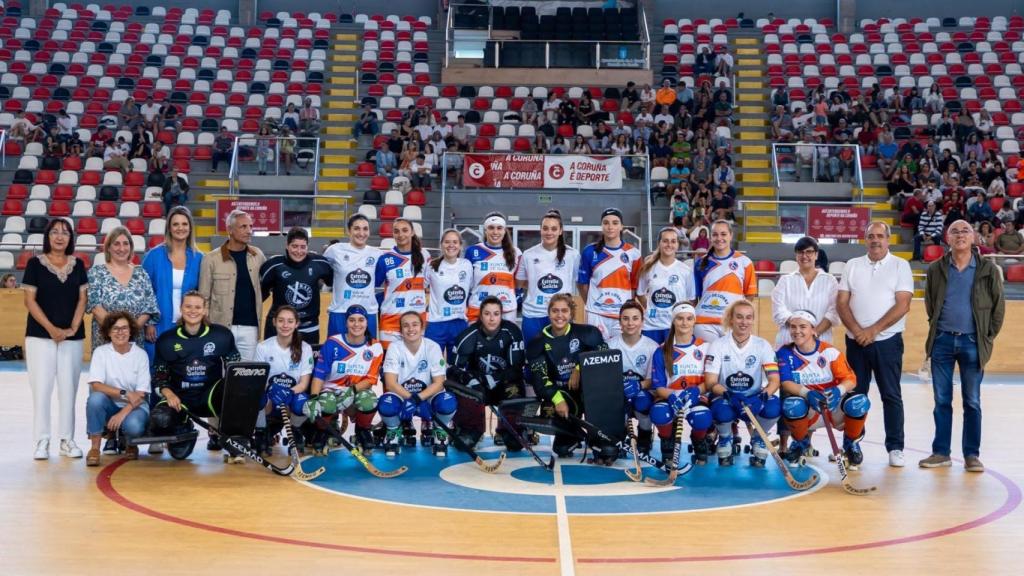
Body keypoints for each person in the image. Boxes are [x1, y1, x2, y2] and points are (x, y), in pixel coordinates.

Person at [919, 220, 1004, 473]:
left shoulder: (988, 269)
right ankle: (941, 452)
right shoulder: (936, 269)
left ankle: (971, 455)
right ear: (947, 238)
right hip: (943, 341)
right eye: (954, 231)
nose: (960, 235)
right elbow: (930, 304)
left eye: (965, 230)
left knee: (972, 401)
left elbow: (998, 308)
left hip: (972, 342)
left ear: (974, 237)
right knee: (941, 400)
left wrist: (986, 337)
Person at [837, 221, 913, 467]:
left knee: (891, 395)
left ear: (888, 240)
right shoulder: (852, 265)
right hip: (855, 342)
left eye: (880, 236)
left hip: (887, 342)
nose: (875, 240)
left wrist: (873, 330)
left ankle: (895, 447)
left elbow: (903, 304)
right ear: (865, 239)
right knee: (855, 395)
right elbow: (842, 303)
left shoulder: (901, 266)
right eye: (871, 236)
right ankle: (852, 445)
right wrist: (858, 331)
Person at [23, 218, 88, 460]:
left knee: (68, 390)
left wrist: (72, 327)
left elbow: (82, 299)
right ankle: (42, 440)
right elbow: (29, 300)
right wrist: (51, 329)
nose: (60, 236)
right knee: (41, 389)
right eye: (55, 232)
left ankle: (67, 440)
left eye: (65, 233)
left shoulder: (79, 264)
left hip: (72, 338)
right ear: (48, 236)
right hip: (40, 337)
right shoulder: (34, 264)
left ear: (71, 238)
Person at [149, 291, 241, 454]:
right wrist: (169, 394)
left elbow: (235, 371)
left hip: (210, 397)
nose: (193, 311)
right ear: (181, 309)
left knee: (238, 394)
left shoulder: (221, 335)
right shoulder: (167, 339)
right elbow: (159, 376)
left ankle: (235, 437)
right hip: (180, 399)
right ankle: (184, 425)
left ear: (205, 310)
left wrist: (235, 396)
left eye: (198, 307)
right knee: (161, 419)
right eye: (188, 306)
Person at [777, 310, 871, 467]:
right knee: (791, 404)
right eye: (793, 327)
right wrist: (807, 393)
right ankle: (800, 443)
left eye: (802, 327)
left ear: (813, 330)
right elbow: (785, 382)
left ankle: (850, 444)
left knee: (860, 402)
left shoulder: (830, 352)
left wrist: (837, 391)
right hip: (809, 408)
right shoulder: (785, 352)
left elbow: (851, 380)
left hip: (833, 407)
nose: (797, 331)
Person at [526, 294, 608, 458]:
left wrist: (579, 368)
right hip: (561, 394)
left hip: (588, 393)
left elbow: (603, 353)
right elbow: (540, 381)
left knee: (606, 450)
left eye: (564, 311)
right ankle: (575, 434)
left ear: (571, 313)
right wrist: (558, 400)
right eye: (555, 311)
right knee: (561, 449)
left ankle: (600, 437)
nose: (559, 315)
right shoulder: (537, 343)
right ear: (549, 313)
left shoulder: (587, 333)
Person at [704, 300, 781, 467]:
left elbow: (775, 380)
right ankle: (725, 438)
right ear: (731, 319)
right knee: (720, 411)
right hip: (727, 398)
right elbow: (710, 382)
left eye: (748, 317)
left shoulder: (762, 345)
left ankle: (759, 438)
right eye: (739, 317)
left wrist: (762, 396)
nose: (744, 322)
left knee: (774, 406)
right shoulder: (718, 345)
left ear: (753, 320)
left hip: (754, 399)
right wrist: (728, 394)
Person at [448, 296, 527, 449]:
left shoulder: (512, 332)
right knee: (466, 391)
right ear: (480, 315)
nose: (492, 318)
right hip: (478, 386)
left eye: (496, 314)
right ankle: (471, 430)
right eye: (487, 314)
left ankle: (509, 430)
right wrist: (472, 380)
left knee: (515, 389)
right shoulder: (468, 336)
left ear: (501, 315)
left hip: (504, 384)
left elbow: (516, 368)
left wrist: (494, 378)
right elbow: (453, 370)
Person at [378, 311, 456, 456]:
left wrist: (418, 398)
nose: (411, 329)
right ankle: (393, 430)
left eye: (415, 324)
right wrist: (411, 399)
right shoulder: (394, 347)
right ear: (400, 331)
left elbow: (439, 382)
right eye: (405, 326)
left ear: (422, 328)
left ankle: (440, 429)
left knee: (448, 401)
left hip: (428, 396)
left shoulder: (432, 347)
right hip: (403, 396)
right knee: (385, 404)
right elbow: (390, 383)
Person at [309, 305, 384, 453]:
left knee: (369, 400)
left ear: (367, 322)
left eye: (361, 320)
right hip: (331, 391)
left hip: (355, 392)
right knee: (326, 403)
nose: (356, 324)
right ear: (346, 323)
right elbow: (319, 375)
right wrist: (313, 399)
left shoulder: (375, 347)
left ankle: (362, 431)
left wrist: (351, 391)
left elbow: (370, 380)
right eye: (352, 320)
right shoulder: (333, 343)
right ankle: (322, 432)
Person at [647, 303, 713, 463]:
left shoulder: (706, 347)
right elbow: (659, 387)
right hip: (671, 398)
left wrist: (697, 391)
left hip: (696, 396)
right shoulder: (662, 350)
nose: (684, 322)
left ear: (694, 321)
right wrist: (671, 397)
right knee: (659, 412)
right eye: (680, 318)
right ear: (673, 321)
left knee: (702, 417)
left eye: (689, 319)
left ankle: (698, 441)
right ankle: (667, 443)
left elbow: (711, 380)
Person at [198, 210, 267, 360]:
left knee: (246, 374)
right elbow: (203, 298)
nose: (249, 231)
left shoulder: (258, 256)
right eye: (243, 227)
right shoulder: (211, 259)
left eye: (250, 226)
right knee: (220, 374)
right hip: (220, 327)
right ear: (230, 229)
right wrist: (207, 327)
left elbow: (265, 288)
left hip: (251, 328)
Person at [85, 312, 151, 466]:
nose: (120, 332)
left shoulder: (141, 355)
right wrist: (124, 393)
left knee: (133, 426)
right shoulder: (101, 352)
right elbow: (96, 385)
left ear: (131, 331)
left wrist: (122, 413)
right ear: (108, 332)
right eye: (115, 329)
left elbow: (140, 394)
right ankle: (94, 448)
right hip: (109, 404)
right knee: (95, 399)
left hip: (135, 407)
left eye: (124, 328)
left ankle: (130, 443)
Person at [142, 206, 203, 361]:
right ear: (169, 227)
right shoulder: (154, 256)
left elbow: (203, 293)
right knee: (157, 367)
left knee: (183, 368)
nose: (180, 228)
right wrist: (148, 322)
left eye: (184, 224)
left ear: (190, 227)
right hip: (158, 325)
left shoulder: (200, 258)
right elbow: (143, 292)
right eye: (175, 224)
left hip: (188, 325)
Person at [252, 306, 314, 456]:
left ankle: (295, 430)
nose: (285, 325)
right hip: (270, 400)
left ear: (296, 324)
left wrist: (287, 393)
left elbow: (304, 384)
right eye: (281, 321)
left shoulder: (305, 348)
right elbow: (259, 381)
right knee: (256, 398)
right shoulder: (263, 347)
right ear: (274, 322)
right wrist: (271, 390)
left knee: (305, 404)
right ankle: (262, 432)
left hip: (292, 396)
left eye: (290, 321)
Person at [86, 226, 159, 352]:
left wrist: (128, 333)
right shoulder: (96, 272)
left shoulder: (141, 273)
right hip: (105, 341)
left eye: (126, 244)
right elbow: (96, 307)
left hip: (134, 341)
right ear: (108, 247)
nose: (122, 248)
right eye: (116, 244)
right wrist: (118, 333)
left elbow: (149, 307)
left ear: (130, 247)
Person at [259, 227, 333, 347]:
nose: (299, 251)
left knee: (307, 364)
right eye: (294, 246)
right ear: (287, 246)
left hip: (309, 327)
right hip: (279, 326)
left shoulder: (320, 263)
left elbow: (333, 282)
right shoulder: (274, 266)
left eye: (303, 247)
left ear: (307, 247)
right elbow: (260, 295)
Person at [516, 209, 581, 343]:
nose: (549, 232)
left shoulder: (572, 255)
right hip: (533, 314)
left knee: (560, 359)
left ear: (560, 231)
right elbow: (520, 283)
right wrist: (536, 284)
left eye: (553, 228)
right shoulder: (528, 254)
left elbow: (578, 281)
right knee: (533, 357)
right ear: (540, 230)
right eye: (545, 228)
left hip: (560, 315)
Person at [607, 301, 661, 459]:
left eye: (635, 318)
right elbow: (605, 376)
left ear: (642, 322)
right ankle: (621, 435)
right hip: (618, 391)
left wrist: (638, 385)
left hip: (642, 391)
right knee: (614, 402)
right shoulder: (610, 345)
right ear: (620, 322)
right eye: (626, 318)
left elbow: (654, 379)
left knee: (642, 400)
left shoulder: (652, 347)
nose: (630, 323)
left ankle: (644, 435)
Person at [577, 208, 641, 340]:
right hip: (596, 314)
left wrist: (627, 308)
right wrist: (592, 304)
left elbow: (634, 286)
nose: (610, 227)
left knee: (620, 353)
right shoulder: (590, 251)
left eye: (615, 223)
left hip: (621, 315)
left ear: (622, 226)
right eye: (606, 223)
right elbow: (582, 284)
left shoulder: (633, 253)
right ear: (601, 226)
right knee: (595, 353)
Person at [693, 220, 757, 343]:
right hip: (704, 324)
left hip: (731, 324)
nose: (719, 238)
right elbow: (696, 297)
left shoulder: (745, 262)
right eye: (715, 234)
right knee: (710, 360)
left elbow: (749, 295)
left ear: (731, 235)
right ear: (711, 237)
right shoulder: (700, 263)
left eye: (723, 234)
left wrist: (737, 316)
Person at [770, 236, 839, 346]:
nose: (804, 256)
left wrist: (814, 333)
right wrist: (800, 331)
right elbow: (779, 311)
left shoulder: (830, 281)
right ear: (796, 256)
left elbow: (834, 312)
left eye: (809, 252)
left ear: (816, 255)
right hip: (789, 342)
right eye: (800, 252)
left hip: (821, 342)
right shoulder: (785, 280)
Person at [323, 214, 382, 339]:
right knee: (337, 354)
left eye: (365, 229)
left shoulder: (377, 254)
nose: (361, 233)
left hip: (368, 312)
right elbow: (320, 268)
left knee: (367, 356)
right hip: (340, 311)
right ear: (349, 231)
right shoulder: (334, 250)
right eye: (356, 228)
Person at [375, 218, 431, 343]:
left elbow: (426, 285)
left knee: (414, 361)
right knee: (389, 361)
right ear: (393, 234)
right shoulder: (385, 258)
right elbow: (373, 286)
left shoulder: (425, 255)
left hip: (417, 320)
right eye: (396, 231)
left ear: (412, 232)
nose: (401, 235)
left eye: (405, 230)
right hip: (391, 320)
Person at [635, 227, 695, 344]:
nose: (669, 244)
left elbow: (691, 300)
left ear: (678, 245)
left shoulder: (685, 270)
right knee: (651, 361)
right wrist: (652, 309)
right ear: (659, 243)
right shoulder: (648, 267)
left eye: (673, 241)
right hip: (651, 326)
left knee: (672, 361)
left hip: (674, 327)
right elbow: (640, 293)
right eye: (665, 241)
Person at [424, 229, 473, 359]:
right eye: (447, 242)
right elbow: (421, 289)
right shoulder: (432, 266)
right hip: (436, 323)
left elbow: (472, 289)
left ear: (460, 246)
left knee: (457, 367)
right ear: (441, 244)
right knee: (432, 364)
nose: (451, 245)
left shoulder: (467, 265)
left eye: (455, 242)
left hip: (459, 323)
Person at [465, 212, 521, 323]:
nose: (495, 232)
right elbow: (466, 283)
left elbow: (519, 285)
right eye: (491, 228)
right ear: (485, 230)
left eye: (499, 228)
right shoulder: (472, 251)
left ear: (504, 231)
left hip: (506, 310)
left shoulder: (516, 253)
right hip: (478, 308)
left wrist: (516, 300)